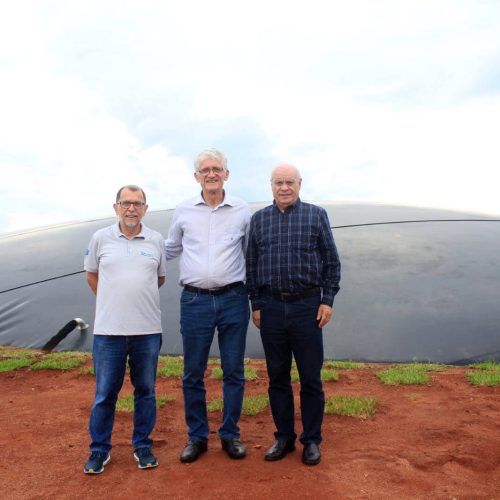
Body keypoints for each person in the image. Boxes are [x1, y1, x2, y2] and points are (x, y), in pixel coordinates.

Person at [246, 164, 341, 466]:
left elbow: (331, 262)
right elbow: (251, 265)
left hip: (307, 307)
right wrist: (256, 305)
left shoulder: (316, 215)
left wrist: (327, 301)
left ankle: (311, 440)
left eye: (289, 182)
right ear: (270, 185)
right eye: (278, 182)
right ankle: (284, 437)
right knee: (277, 377)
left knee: (310, 377)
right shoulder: (259, 220)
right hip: (271, 308)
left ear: (299, 184)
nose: (284, 187)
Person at [165, 148, 251, 463]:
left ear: (226, 174)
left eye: (217, 169)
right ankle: (197, 437)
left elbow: (250, 253)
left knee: (233, 371)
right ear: (197, 176)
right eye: (205, 170)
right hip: (195, 300)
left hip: (233, 299)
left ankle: (230, 435)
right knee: (193, 372)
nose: (211, 174)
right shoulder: (184, 210)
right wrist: (137, 260)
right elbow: (171, 248)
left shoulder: (242, 210)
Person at [83, 185, 166, 474]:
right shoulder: (100, 238)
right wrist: (113, 301)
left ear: (145, 207)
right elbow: (92, 275)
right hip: (109, 332)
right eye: (126, 203)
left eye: (137, 203)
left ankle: (142, 445)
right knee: (105, 393)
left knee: (145, 391)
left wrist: (133, 299)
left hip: (147, 331)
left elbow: (159, 278)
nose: (131, 208)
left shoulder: (155, 240)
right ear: (116, 206)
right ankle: (99, 450)